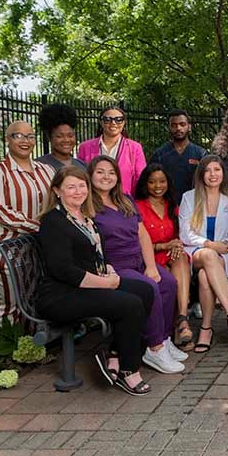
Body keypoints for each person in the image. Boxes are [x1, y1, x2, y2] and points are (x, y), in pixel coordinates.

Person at [36, 167, 154, 396]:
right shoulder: (53, 221)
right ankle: (129, 371)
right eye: (71, 187)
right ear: (57, 191)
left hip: (87, 284)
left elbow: (98, 254)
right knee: (129, 304)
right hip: (61, 294)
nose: (78, 191)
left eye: (82, 186)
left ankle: (115, 353)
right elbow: (63, 270)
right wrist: (107, 283)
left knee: (145, 290)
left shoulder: (85, 217)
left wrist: (109, 271)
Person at [88, 157, 186, 375]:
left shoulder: (125, 199)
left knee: (168, 282)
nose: (106, 177)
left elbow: (142, 234)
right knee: (149, 288)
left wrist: (151, 266)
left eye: (111, 173)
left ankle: (165, 338)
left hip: (139, 259)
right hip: (115, 265)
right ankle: (154, 348)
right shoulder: (88, 205)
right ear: (91, 176)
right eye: (100, 172)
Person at [0, 121, 55, 322]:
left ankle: (33, 345)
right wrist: (43, 228)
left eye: (30, 136)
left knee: (34, 296)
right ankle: (8, 345)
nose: (26, 141)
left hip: (38, 244)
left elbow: (57, 201)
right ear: (7, 139)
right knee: (10, 300)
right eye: (18, 136)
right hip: (6, 246)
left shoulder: (47, 170)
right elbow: (1, 211)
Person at [179, 156, 228, 352]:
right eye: (208, 170)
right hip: (194, 251)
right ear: (201, 174)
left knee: (204, 277)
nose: (213, 174)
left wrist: (225, 243)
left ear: (222, 173)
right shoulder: (189, 197)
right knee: (209, 256)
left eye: (217, 170)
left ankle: (206, 329)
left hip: (222, 253)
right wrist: (209, 244)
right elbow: (185, 232)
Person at [134, 163, 194, 351]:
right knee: (168, 274)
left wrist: (176, 243)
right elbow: (137, 243)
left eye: (162, 181)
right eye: (152, 182)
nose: (158, 186)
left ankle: (182, 319)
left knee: (181, 257)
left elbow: (181, 233)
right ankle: (174, 329)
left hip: (172, 253)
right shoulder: (137, 207)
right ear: (145, 184)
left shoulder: (172, 206)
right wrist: (164, 245)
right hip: (149, 256)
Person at [77, 106, 147, 195]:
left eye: (118, 119)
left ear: (124, 122)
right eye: (107, 119)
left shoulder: (134, 148)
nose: (113, 123)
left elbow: (141, 179)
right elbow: (80, 177)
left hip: (124, 202)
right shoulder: (85, 147)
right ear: (101, 122)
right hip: (93, 201)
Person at [149, 109, 208, 203]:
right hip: (166, 206)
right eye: (174, 125)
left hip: (194, 205)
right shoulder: (160, 154)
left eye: (182, 124)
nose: (178, 128)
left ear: (189, 127)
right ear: (169, 128)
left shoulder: (201, 153)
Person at [37, 103, 87, 171]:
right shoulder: (39, 166)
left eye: (70, 135)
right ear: (49, 137)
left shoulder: (83, 166)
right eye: (59, 136)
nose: (66, 140)